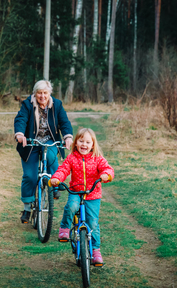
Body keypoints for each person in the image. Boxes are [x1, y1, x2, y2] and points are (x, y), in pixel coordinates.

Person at [50, 128, 114, 265]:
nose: (84, 144)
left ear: (93, 145)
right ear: (76, 143)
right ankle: (65, 229)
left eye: (87, 142)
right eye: (81, 141)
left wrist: (106, 175)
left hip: (93, 194)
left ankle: (96, 251)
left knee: (93, 223)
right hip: (75, 192)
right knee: (71, 206)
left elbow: (107, 168)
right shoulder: (72, 158)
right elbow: (63, 169)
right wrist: (56, 178)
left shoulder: (97, 158)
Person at [14, 80, 73, 224]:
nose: (42, 96)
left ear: (49, 93)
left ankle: (55, 185)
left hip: (49, 140)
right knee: (30, 176)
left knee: (53, 158)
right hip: (31, 142)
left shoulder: (57, 105)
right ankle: (27, 208)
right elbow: (20, 119)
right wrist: (20, 134)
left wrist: (68, 137)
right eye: (39, 93)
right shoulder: (27, 104)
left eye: (45, 93)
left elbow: (64, 122)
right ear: (35, 93)